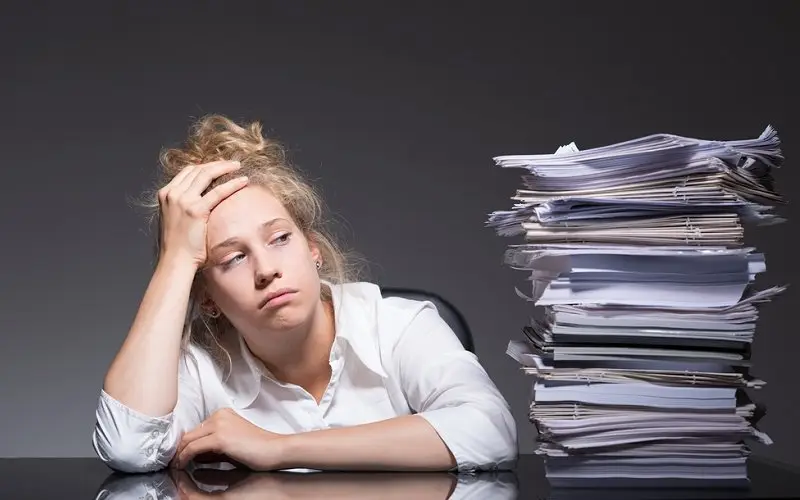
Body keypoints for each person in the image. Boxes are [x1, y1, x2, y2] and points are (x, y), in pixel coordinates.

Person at [91, 114, 518, 474]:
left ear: (312, 248)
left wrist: (279, 448)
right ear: (206, 298)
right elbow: (129, 445)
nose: (267, 269)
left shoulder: (399, 325)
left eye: (279, 238)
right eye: (232, 259)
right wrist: (176, 260)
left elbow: (490, 430)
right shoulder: (200, 367)